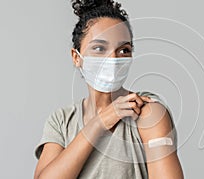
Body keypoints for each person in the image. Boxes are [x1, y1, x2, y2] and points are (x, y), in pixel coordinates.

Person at [34, 0, 184, 178]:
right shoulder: (62, 120)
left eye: (123, 50)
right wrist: (100, 122)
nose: (113, 59)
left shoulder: (147, 110)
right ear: (76, 57)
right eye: (99, 48)